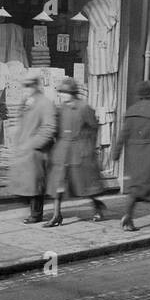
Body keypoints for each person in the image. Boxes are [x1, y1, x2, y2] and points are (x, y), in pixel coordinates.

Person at [42, 77, 107, 226]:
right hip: (62, 150)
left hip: (79, 151)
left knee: (83, 184)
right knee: (57, 183)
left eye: (65, 93)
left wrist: (88, 146)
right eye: (61, 93)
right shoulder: (61, 109)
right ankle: (57, 215)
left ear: (73, 93)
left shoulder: (84, 108)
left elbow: (93, 128)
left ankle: (97, 205)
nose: (63, 95)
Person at [111, 81, 150, 230]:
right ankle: (127, 217)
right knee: (146, 185)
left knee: (142, 184)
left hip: (134, 153)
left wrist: (116, 152)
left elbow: (123, 134)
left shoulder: (131, 111)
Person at [8, 69, 57, 224]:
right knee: (27, 183)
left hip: (36, 151)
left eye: (29, 85)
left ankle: (36, 214)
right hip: (24, 149)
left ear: (36, 85)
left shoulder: (45, 103)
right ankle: (33, 211)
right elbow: (21, 122)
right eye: (25, 86)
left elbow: (49, 128)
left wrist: (34, 144)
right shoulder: (26, 102)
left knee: (35, 184)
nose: (26, 89)